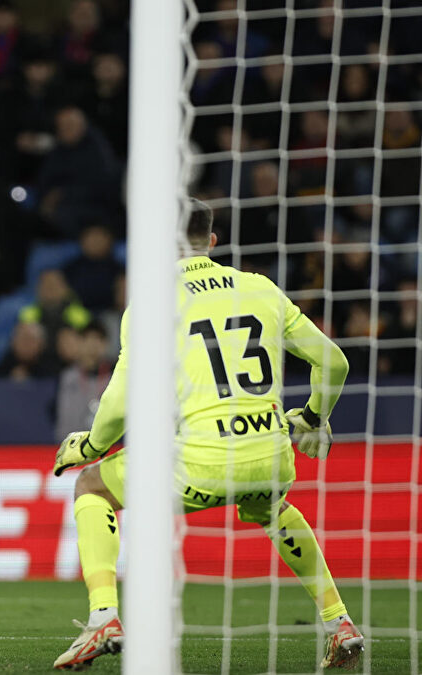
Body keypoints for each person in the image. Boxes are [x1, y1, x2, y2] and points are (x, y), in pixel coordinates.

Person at [50, 200, 363, 670]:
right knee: (273, 508)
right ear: (212, 242)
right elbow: (334, 361)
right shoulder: (260, 288)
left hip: (200, 463)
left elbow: (120, 400)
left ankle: (104, 618)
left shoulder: (154, 301)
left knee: (91, 486)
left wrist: (91, 446)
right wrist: (314, 418)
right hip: (271, 455)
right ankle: (340, 623)